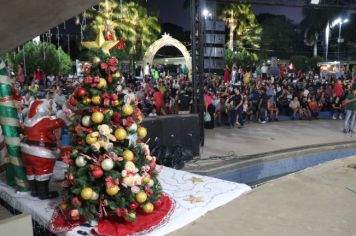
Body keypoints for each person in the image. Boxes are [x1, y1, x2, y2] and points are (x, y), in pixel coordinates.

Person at [21, 99, 65, 199]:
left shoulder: (28, 121)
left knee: (31, 171)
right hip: (40, 153)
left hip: (27, 152)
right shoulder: (44, 121)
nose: (49, 110)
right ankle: (43, 194)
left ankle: (34, 191)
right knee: (43, 172)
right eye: (48, 108)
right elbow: (59, 122)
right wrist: (64, 115)